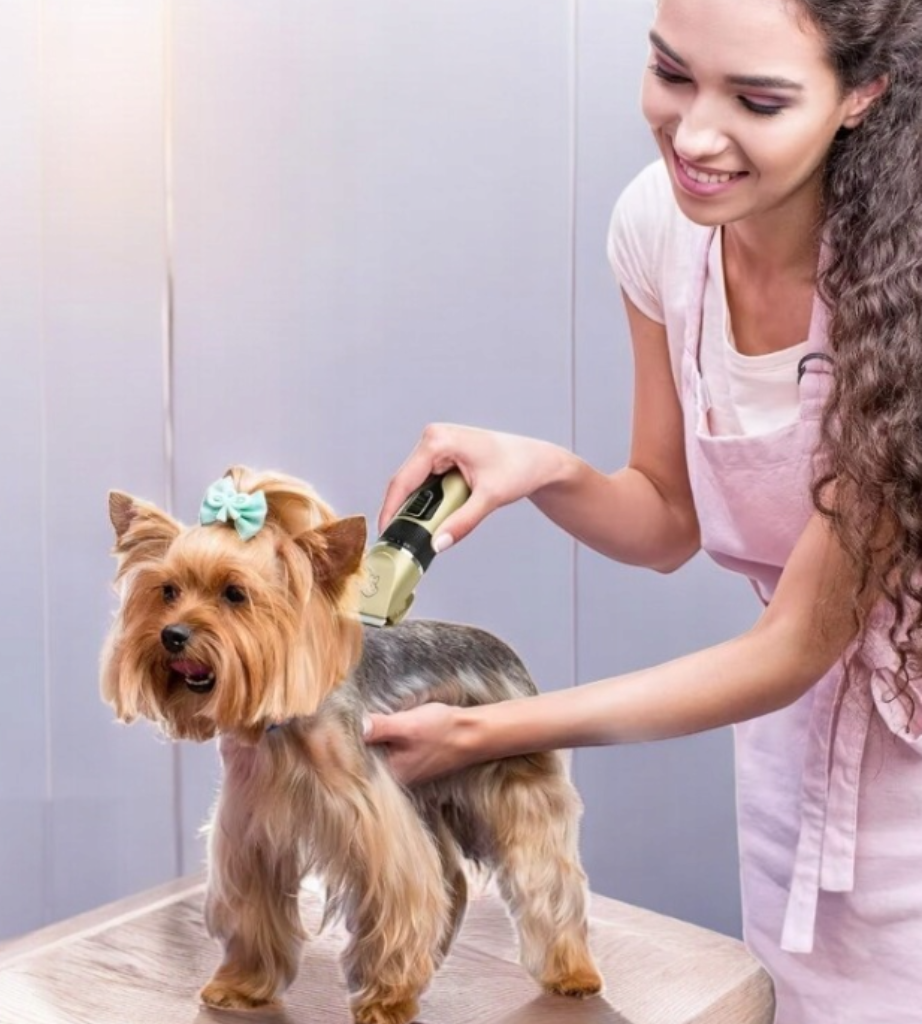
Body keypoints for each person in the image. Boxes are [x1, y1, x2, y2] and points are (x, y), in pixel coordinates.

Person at [361, 1, 922, 1021]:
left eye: (757, 101)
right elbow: (666, 518)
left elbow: (795, 643)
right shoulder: (661, 227)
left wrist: (483, 731)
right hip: (795, 751)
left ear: (863, 93)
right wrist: (543, 470)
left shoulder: (906, 284)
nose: (695, 136)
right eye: (671, 74)